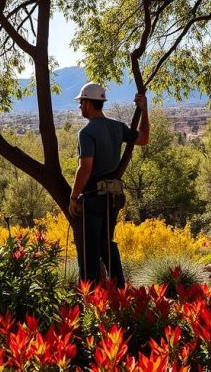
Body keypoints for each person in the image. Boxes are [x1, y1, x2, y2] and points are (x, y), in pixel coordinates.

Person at [68, 83, 149, 286]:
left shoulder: (86, 133)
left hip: (94, 198)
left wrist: (74, 196)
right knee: (106, 244)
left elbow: (85, 168)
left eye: (81, 102)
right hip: (113, 198)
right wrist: (144, 111)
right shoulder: (117, 127)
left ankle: (89, 295)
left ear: (87, 103)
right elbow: (143, 138)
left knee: (89, 249)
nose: (79, 107)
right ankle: (118, 290)